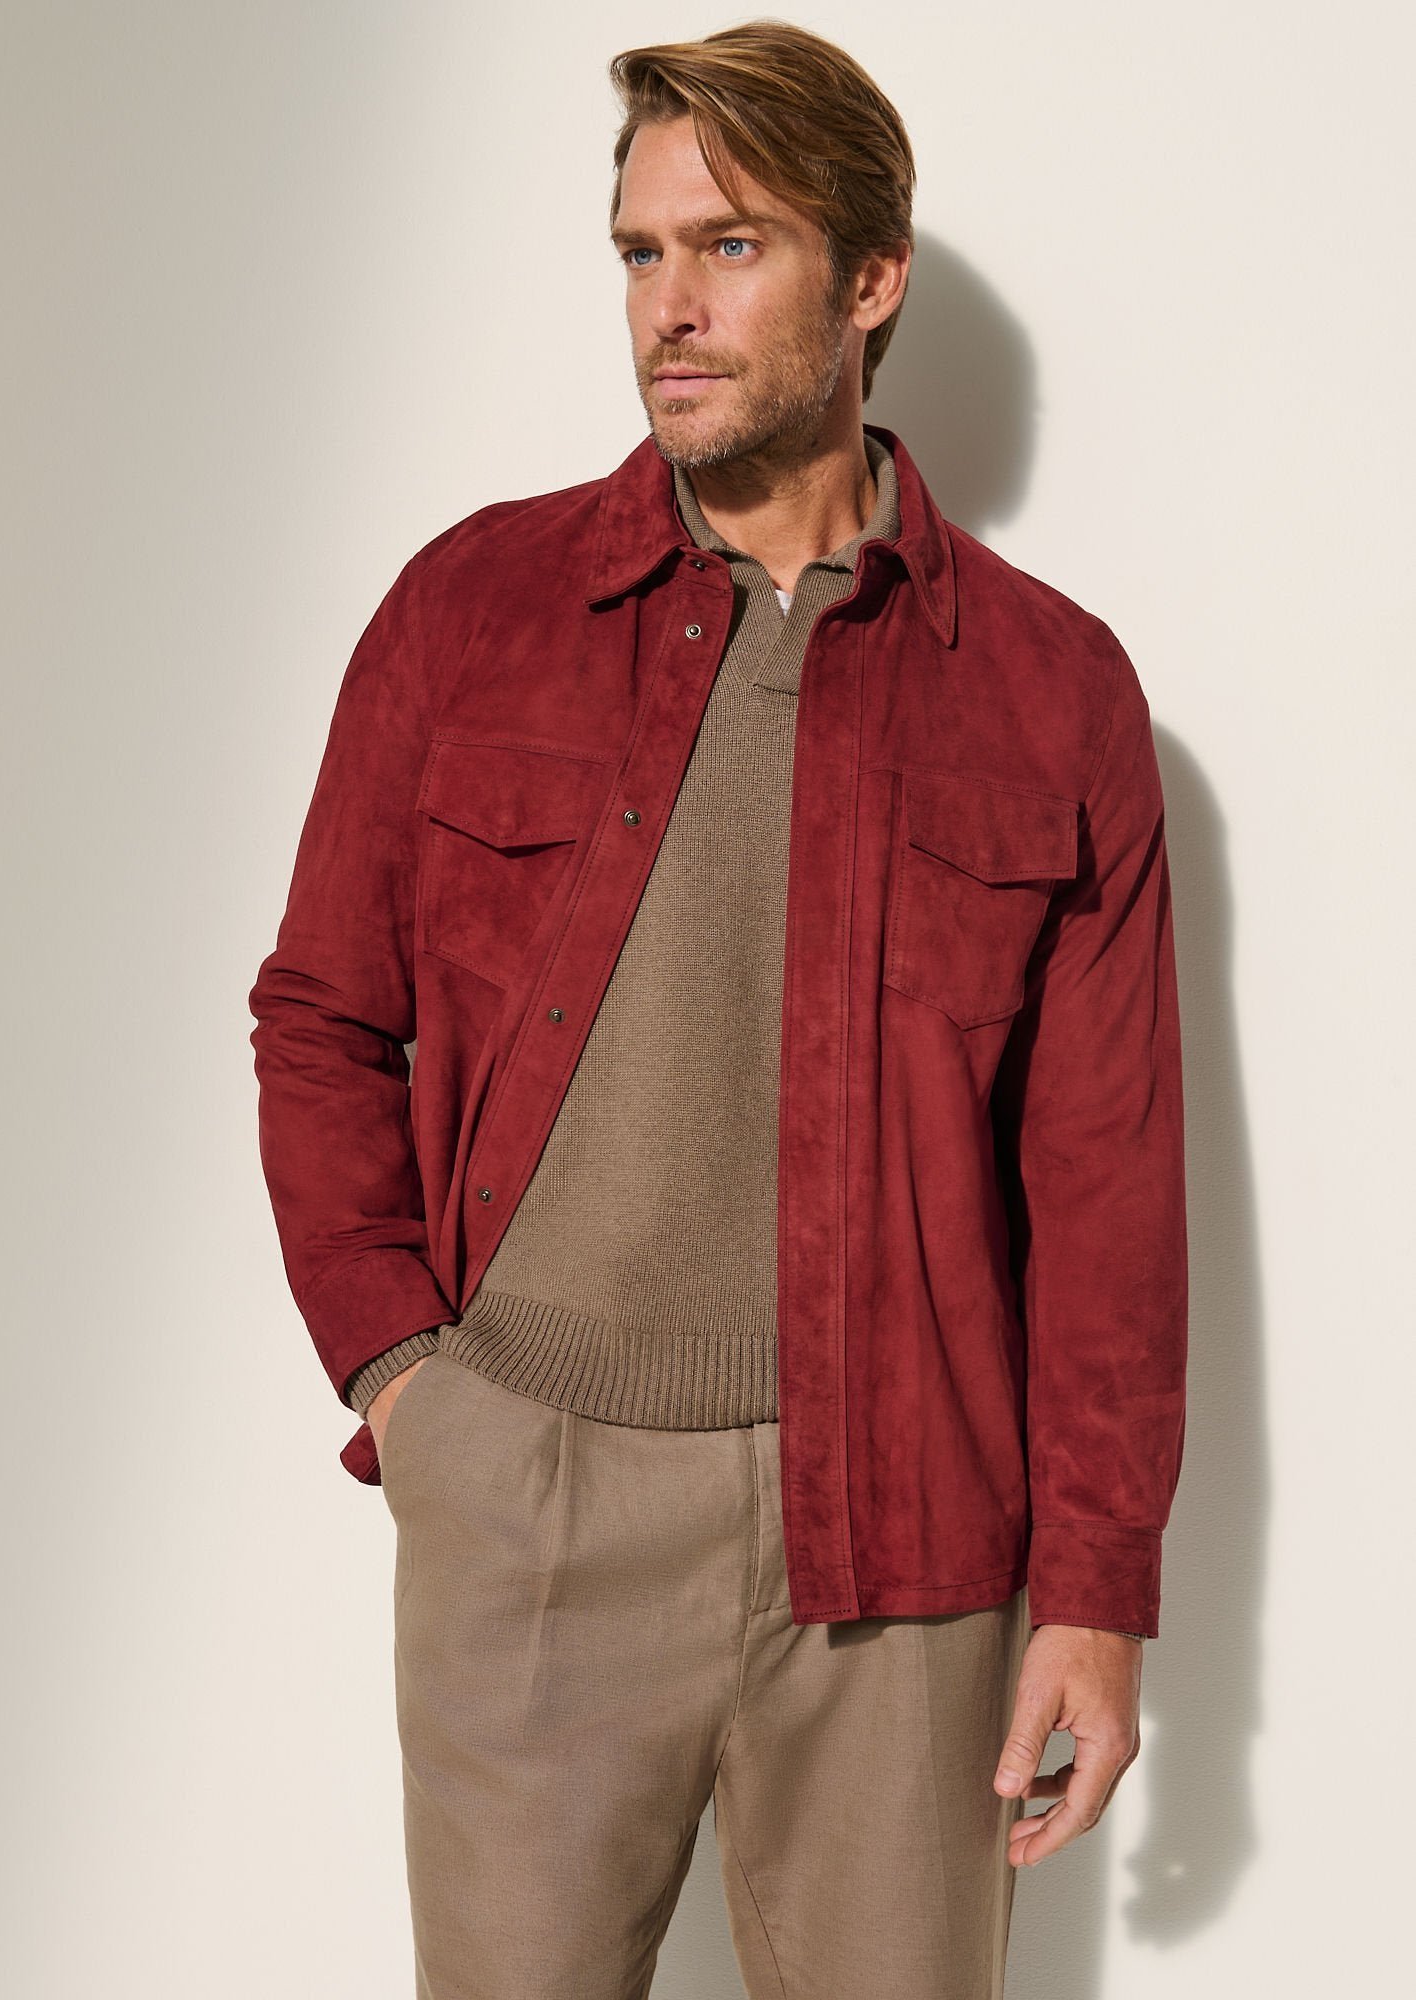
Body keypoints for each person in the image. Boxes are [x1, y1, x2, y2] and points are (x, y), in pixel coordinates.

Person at [247, 19, 1189, 1997]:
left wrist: (1097, 1592)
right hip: (532, 1511)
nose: (668, 309)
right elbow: (322, 1015)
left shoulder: (1052, 693)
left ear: (871, 278)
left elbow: (1106, 1182)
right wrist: (411, 1387)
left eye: (732, 247)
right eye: (639, 252)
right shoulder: (469, 612)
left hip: (905, 1549)